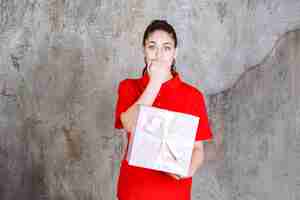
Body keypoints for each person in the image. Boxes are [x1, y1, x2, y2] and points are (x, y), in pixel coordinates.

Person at [114, 19, 213, 200]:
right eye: (152, 47)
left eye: (166, 48)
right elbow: (128, 124)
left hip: (174, 193)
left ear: (175, 53)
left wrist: (187, 171)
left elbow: (198, 149)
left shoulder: (193, 96)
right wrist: (155, 82)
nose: (159, 55)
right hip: (133, 191)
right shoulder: (128, 86)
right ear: (144, 50)